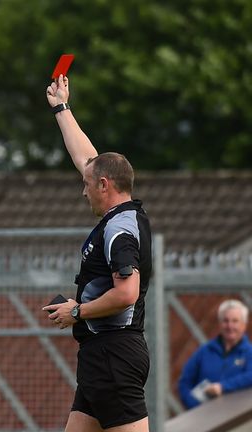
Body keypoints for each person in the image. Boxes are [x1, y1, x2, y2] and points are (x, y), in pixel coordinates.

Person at [42, 75, 153, 432]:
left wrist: (77, 310)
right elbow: (88, 159)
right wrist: (61, 108)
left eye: (87, 185)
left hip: (114, 357)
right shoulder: (120, 215)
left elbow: (127, 293)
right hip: (99, 357)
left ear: (105, 185)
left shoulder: (119, 231)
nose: (83, 191)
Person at [178, 299, 252, 409]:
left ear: (244, 325)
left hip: (238, 420)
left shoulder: (249, 353)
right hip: (204, 417)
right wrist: (194, 405)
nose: (230, 326)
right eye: (225, 321)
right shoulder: (204, 351)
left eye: (235, 321)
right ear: (219, 324)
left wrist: (222, 387)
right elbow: (184, 382)